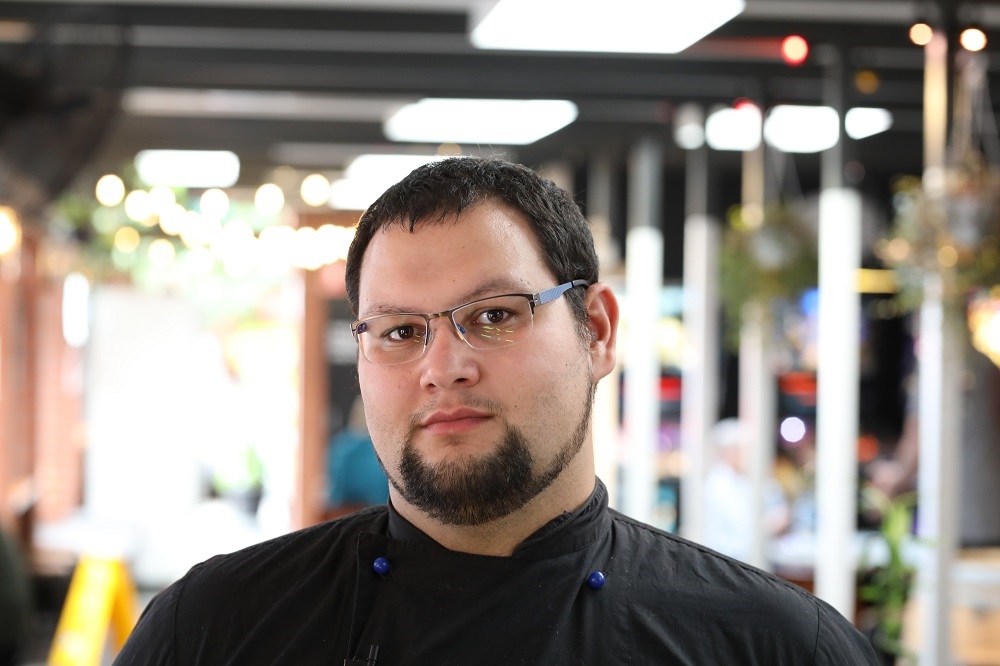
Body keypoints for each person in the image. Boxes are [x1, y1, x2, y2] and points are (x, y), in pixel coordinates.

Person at [114, 157, 877, 664]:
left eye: (494, 316)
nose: (443, 367)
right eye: (400, 331)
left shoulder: (771, 645)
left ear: (598, 331)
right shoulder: (214, 630)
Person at [325, 396, 389, 518]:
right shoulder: (385, 448)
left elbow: (334, 499)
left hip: (347, 519)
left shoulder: (339, 446)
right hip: (383, 515)